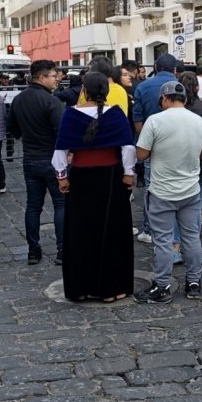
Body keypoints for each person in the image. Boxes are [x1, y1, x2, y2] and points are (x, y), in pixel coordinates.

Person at [53, 72, 135, 302]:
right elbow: (127, 148)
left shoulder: (71, 115)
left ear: (84, 90)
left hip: (80, 178)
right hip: (110, 178)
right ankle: (111, 289)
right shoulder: (116, 115)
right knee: (111, 233)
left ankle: (80, 288)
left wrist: (61, 176)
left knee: (81, 232)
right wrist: (129, 174)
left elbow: (60, 149)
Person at [133, 80, 202, 304]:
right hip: (190, 190)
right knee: (191, 237)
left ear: (164, 99)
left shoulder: (154, 121)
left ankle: (162, 285)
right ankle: (194, 282)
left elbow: (141, 155)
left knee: (164, 240)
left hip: (162, 191)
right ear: (184, 99)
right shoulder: (200, 122)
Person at [8, 60, 66, 265]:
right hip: (52, 159)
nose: (57, 79)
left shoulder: (19, 99)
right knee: (60, 204)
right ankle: (62, 251)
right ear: (41, 77)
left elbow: (12, 129)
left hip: (30, 159)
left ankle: (33, 250)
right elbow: (61, 132)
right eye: (53, 75)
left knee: (33, 206)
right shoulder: (51, 102)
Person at [132, 53, 180, 243]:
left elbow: (137, 120)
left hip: (152, 146)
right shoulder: (180, 84)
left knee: (152, 188)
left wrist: (146, 144)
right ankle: (175, 231)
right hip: (178, 145)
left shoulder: (143, 86)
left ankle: (149, 229)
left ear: (156, 67)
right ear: (175, 69)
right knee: (179, 187)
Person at [179, 71, 202, 235]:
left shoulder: (174, 110)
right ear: (197, 87)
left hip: (179, 163)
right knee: (196, 204)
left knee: (177, 205)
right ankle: (193, 241)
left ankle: (176, 243)